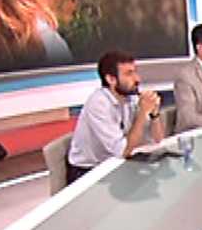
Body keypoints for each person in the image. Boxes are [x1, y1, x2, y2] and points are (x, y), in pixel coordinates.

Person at [67, 51, 164, 184]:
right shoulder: (99, 104)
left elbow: (157, 140)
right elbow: (123, 151)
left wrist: (154, 113)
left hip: (117, 163)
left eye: (135, 72)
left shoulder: (130, 97)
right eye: (129, 74)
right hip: (89, 171)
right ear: (111, 79)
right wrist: (142, 113)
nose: (137, 79)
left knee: (158, 178)